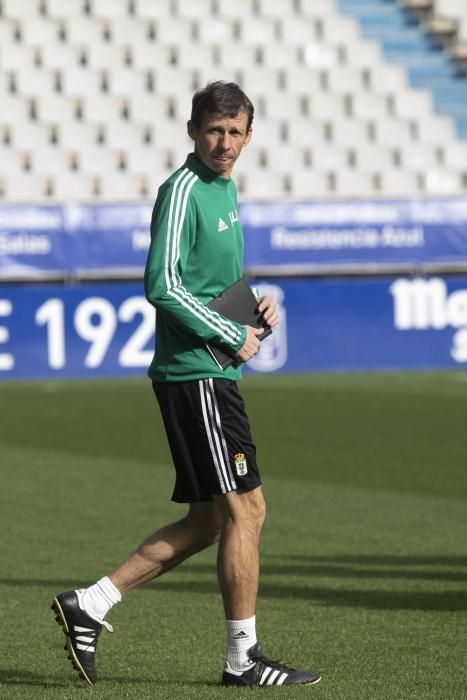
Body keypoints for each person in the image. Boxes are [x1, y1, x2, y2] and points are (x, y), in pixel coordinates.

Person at [51, 81, 321, 688]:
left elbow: (211, 279)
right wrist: (230, 334)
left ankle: (89, 604)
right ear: (193, 130)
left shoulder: (224, 188)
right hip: (196, 373)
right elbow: (163, 285)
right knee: (248, 511)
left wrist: (255, 309)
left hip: (213, 369)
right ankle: (241, 660)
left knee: (209, 522)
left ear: (249, 136)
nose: (224, 143)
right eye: (214, 131)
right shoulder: (182, 190)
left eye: (235, 132)